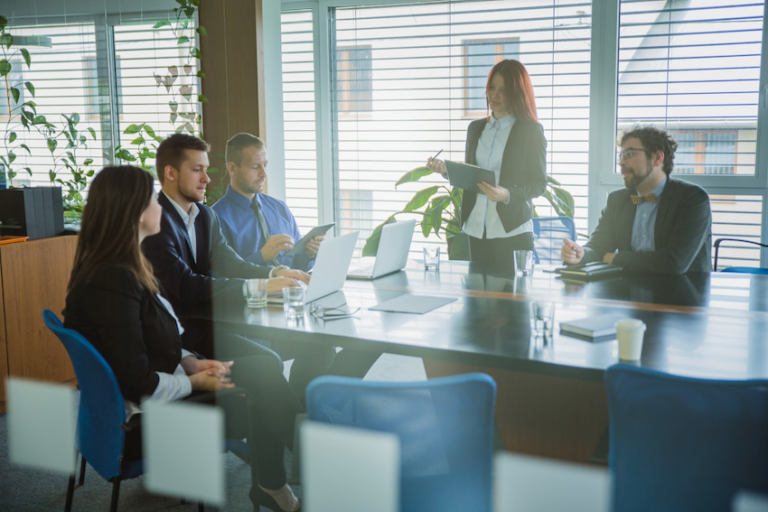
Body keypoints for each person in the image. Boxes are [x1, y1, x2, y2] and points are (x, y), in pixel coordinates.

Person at [64, 166, 303, 512]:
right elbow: (139, 383)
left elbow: (141, 344)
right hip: (147, 422)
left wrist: (188, 359)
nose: (160, 205)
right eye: (151, 200)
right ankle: (309, 471)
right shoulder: (113, 282)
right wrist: (196, 381)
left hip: (150, 394)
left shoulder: (118, 267)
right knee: (264, 388)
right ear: (131, 212)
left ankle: (281, 482)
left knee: (264, 365)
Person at [142, 133, 380, 400]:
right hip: (187, 335)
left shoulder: (205, 216)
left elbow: (231, 262)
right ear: (170, 173)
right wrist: (261, 285)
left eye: (206, 170)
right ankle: (301, 429)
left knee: (317, 347)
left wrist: (276, 272)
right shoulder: (155, 222)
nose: (207, 179)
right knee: (267, 363)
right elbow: (185, 285)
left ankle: (306, 414)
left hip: (217, 324)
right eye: (197, 170)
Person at [426, 59, 547, 269]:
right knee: (477, 300)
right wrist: (447, 171)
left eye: (503, 89)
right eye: (492, 87)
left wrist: (507, 194)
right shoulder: (475, 128)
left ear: (517, 93)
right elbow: (473, 176)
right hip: (476, 228)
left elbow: (539, 183)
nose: (494, 95)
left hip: (512, 231)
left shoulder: (529, 131)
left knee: (511, 301)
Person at [560, 126, 712, 274]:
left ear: (657, 158)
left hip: (683, 295)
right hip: (628, 294)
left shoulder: (692, 198)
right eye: (621, 156)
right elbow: (599, 247)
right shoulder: (617, 200)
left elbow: (674, 262)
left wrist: (619, 258)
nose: (621, 162)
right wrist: (581, 254)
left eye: (629, 154)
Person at [212, 133, 322, 272]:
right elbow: (219, 277)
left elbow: (296, 265)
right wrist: (262, 256)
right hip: (253, 293)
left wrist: (308, 253)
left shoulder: (280, 208)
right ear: (232, 169)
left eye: (265, 165)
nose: (263, 173)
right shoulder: (215, 218)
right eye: (255, 166)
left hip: (292, 290)